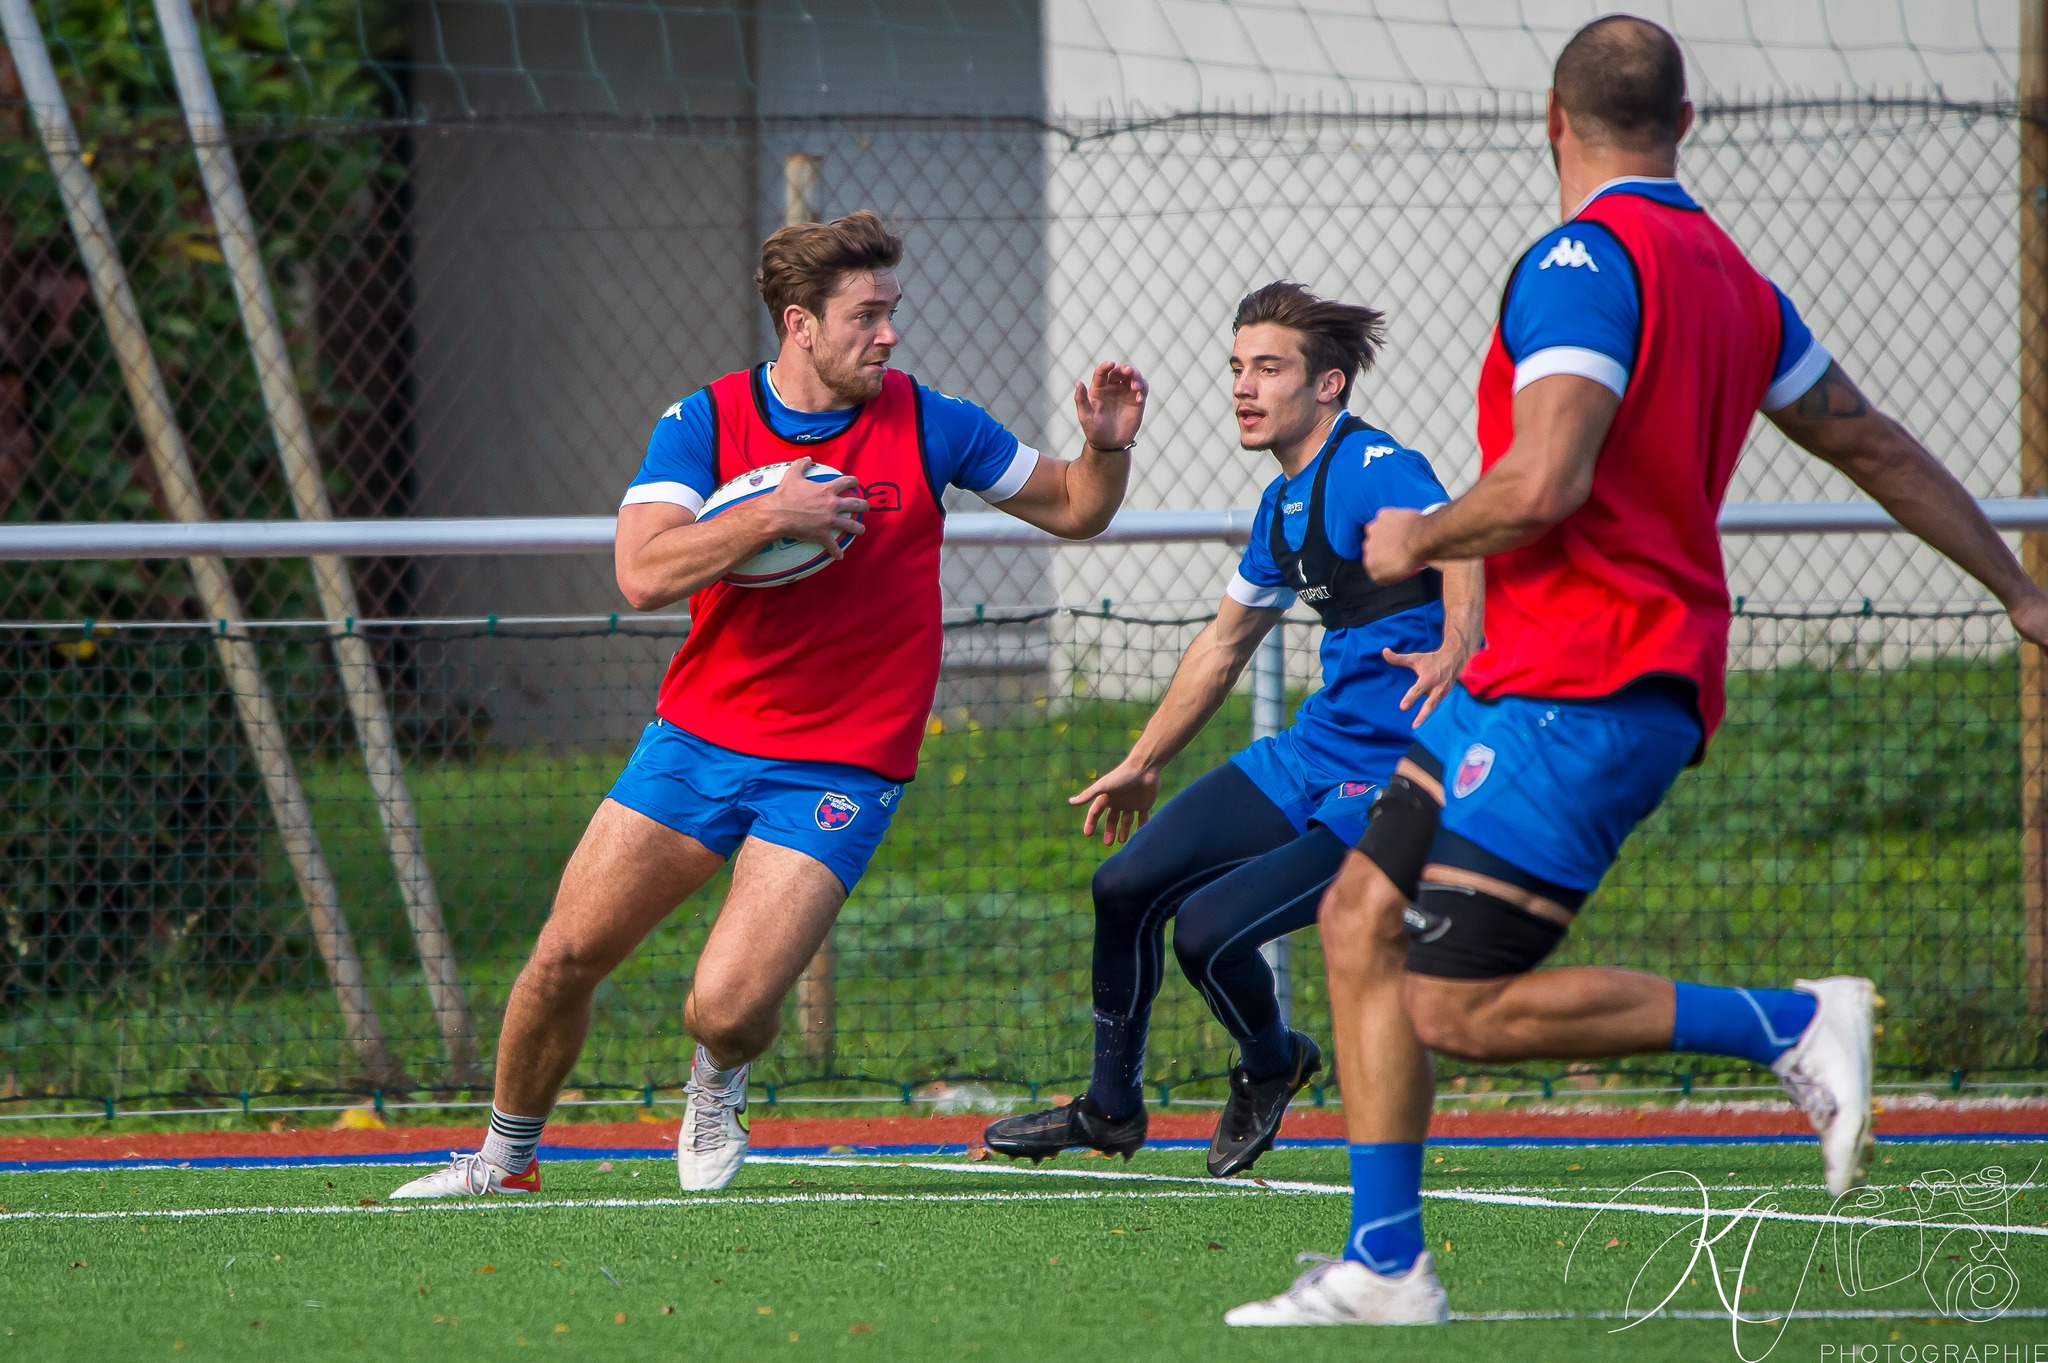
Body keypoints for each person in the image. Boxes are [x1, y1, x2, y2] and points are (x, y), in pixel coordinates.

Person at [1226, 15, 2048, 1327]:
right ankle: (1385, 1262)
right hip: (1518, 679)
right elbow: (1875, 446)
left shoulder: (1579, 260)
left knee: (1457, 1003)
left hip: (1589, 685)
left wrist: (1420, 536)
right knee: (1355, 921)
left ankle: (1786, 1017)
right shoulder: (1734, 277)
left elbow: (1548, 478)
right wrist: (2013, 585)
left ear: (1554, 121)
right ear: (1686, 123)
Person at [391, 210, 1148, 1199]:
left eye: (891, 311)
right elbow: (641, 572)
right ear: (798, 323)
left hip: (841, 764)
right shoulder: (702, 421)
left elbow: (1075, 508)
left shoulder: (932, 421)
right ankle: (504, 1158)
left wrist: (1102, 451)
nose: (888, 333)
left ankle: (716, 1077)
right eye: (864, 316)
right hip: (697, 741)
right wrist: (770, 514)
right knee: (563, 956)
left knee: (727, 1005)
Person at [984, 282, 1481, 1178]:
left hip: (1395, 778)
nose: (1244, 387)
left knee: (1208, 934)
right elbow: (1221, 648)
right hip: (1313, 755)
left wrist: (1455, 645)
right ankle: (1111, 1108)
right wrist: (1142, 763)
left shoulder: (1373, 468)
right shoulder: (1279, 508)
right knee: (1125, 882)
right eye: (1236, 368)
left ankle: (1270, 1060)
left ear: (1328, 385)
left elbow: (1466, 542)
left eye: (1269, 368)